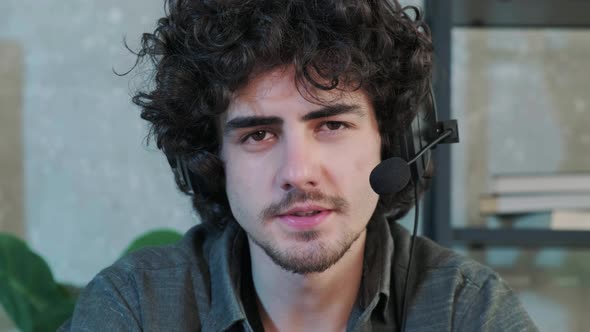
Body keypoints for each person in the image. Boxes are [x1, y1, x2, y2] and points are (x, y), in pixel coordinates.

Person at [60, 0, 538, 331]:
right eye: (258, 135)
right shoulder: (136, 307)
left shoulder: (467, 308)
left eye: (330, 125)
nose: (298, 171)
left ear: (388, 142)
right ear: (211, 162)